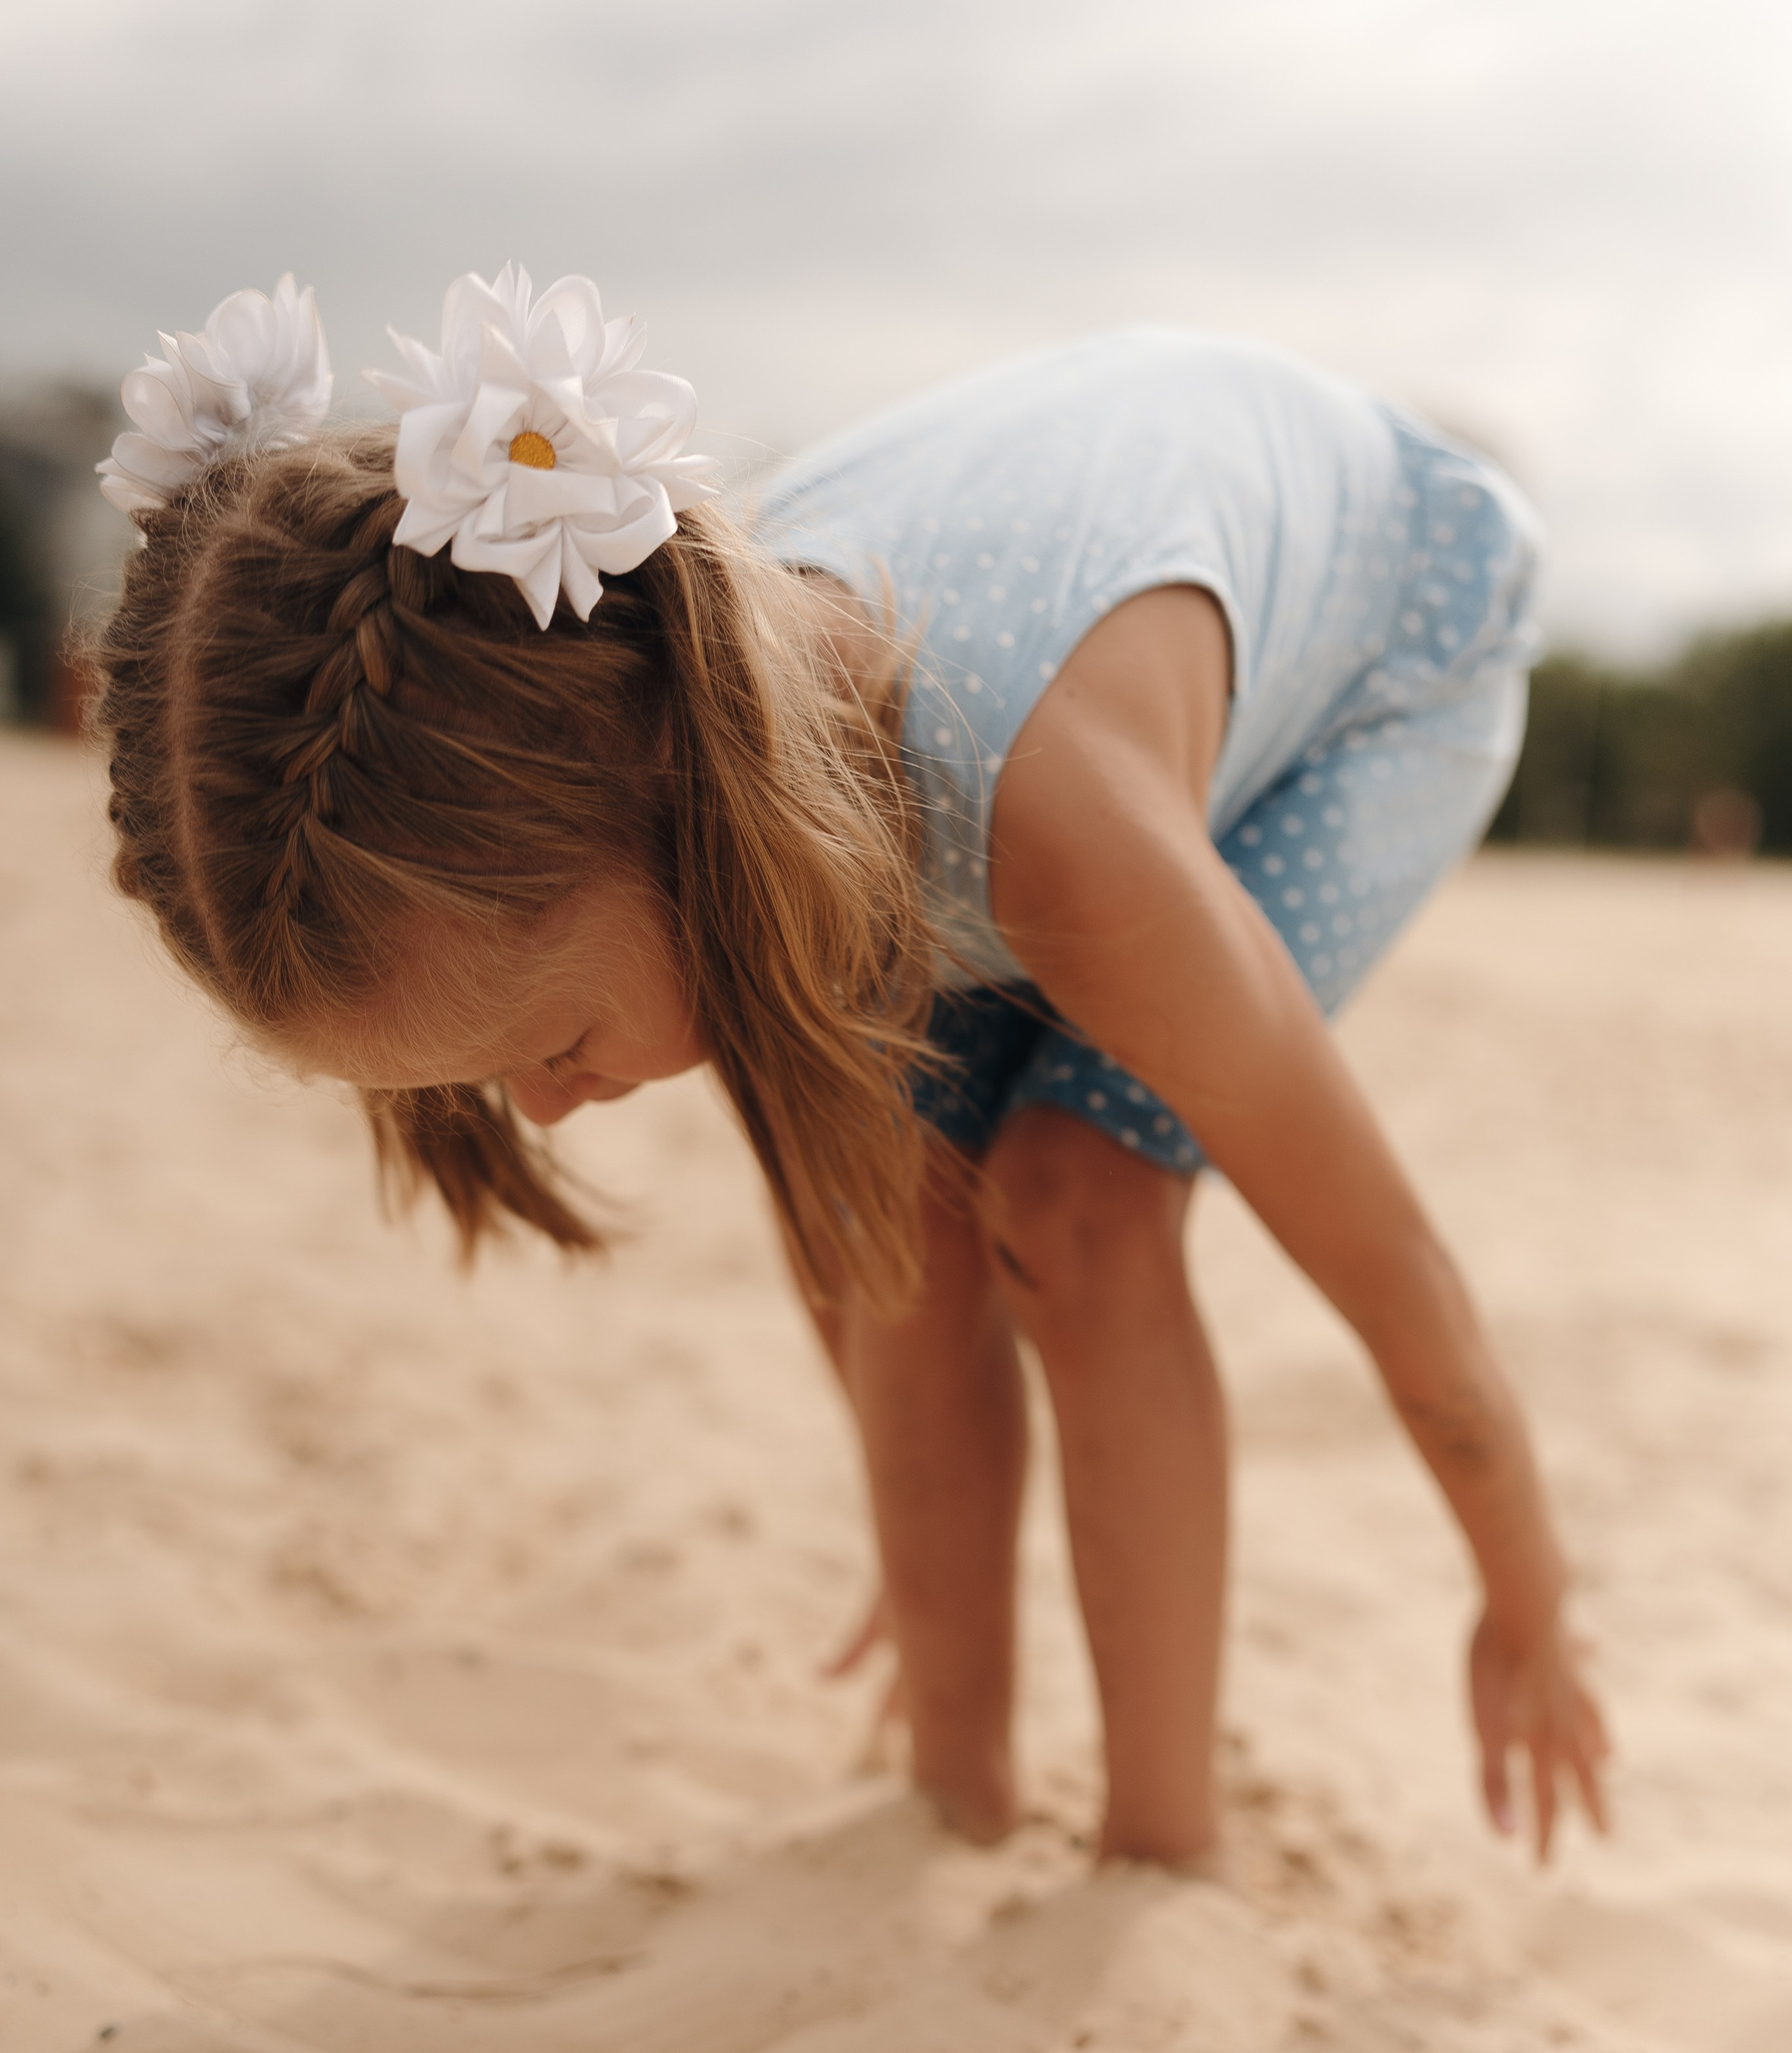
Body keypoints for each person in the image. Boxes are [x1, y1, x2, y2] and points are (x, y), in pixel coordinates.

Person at [94, 267, 1609, 1875]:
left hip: (1387, 637)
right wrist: (923, 1530)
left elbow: (1391, 1267)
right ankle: (954, 1797)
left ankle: (1161, 1859)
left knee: (1072, 1202)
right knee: (901, 1205)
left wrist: (1524, 1599)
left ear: (672, 801)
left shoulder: (1066, 836)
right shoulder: (699, 772)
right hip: (991, 691)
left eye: (547, 1045)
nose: (540, 1104)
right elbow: (850, 1232)